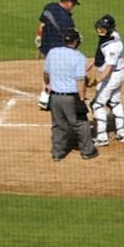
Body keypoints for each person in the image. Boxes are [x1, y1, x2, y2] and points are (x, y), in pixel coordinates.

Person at [45, 28, 96, 161]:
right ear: (76, 41)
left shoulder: (53, 52)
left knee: (58, 124)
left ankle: (57, 153)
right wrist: (81, 97)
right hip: (71, 98)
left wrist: (47, 84)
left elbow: (46, 74)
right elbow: (80, 80)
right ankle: (87, 151)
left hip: (54, 97)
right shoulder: (79, 57)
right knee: (81, 124)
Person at [33, 0, 80, 112]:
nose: (73, 7)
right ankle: (48, 99)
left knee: (49, 72)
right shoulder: (66, 20)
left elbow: (42, 25)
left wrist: (38, 37)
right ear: (69, 3)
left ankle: (44, 99)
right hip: (59, 51)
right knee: (61, 75)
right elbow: (71, 39)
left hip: (47, 47)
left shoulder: (49, 7)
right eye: (73, 4)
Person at [90, 13, 124, 147]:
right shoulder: (114, 36)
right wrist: (92, 62)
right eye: (99, 27)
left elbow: (109, 67)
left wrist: (97, 80)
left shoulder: (112, 46)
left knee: (97, 105)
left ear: (109, 29)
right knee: (114, 102)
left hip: (112, 77)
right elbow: (101, 53)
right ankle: (121, 133)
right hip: (119, 74)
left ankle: (102, 137)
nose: (100, 30)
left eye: (103, 28)